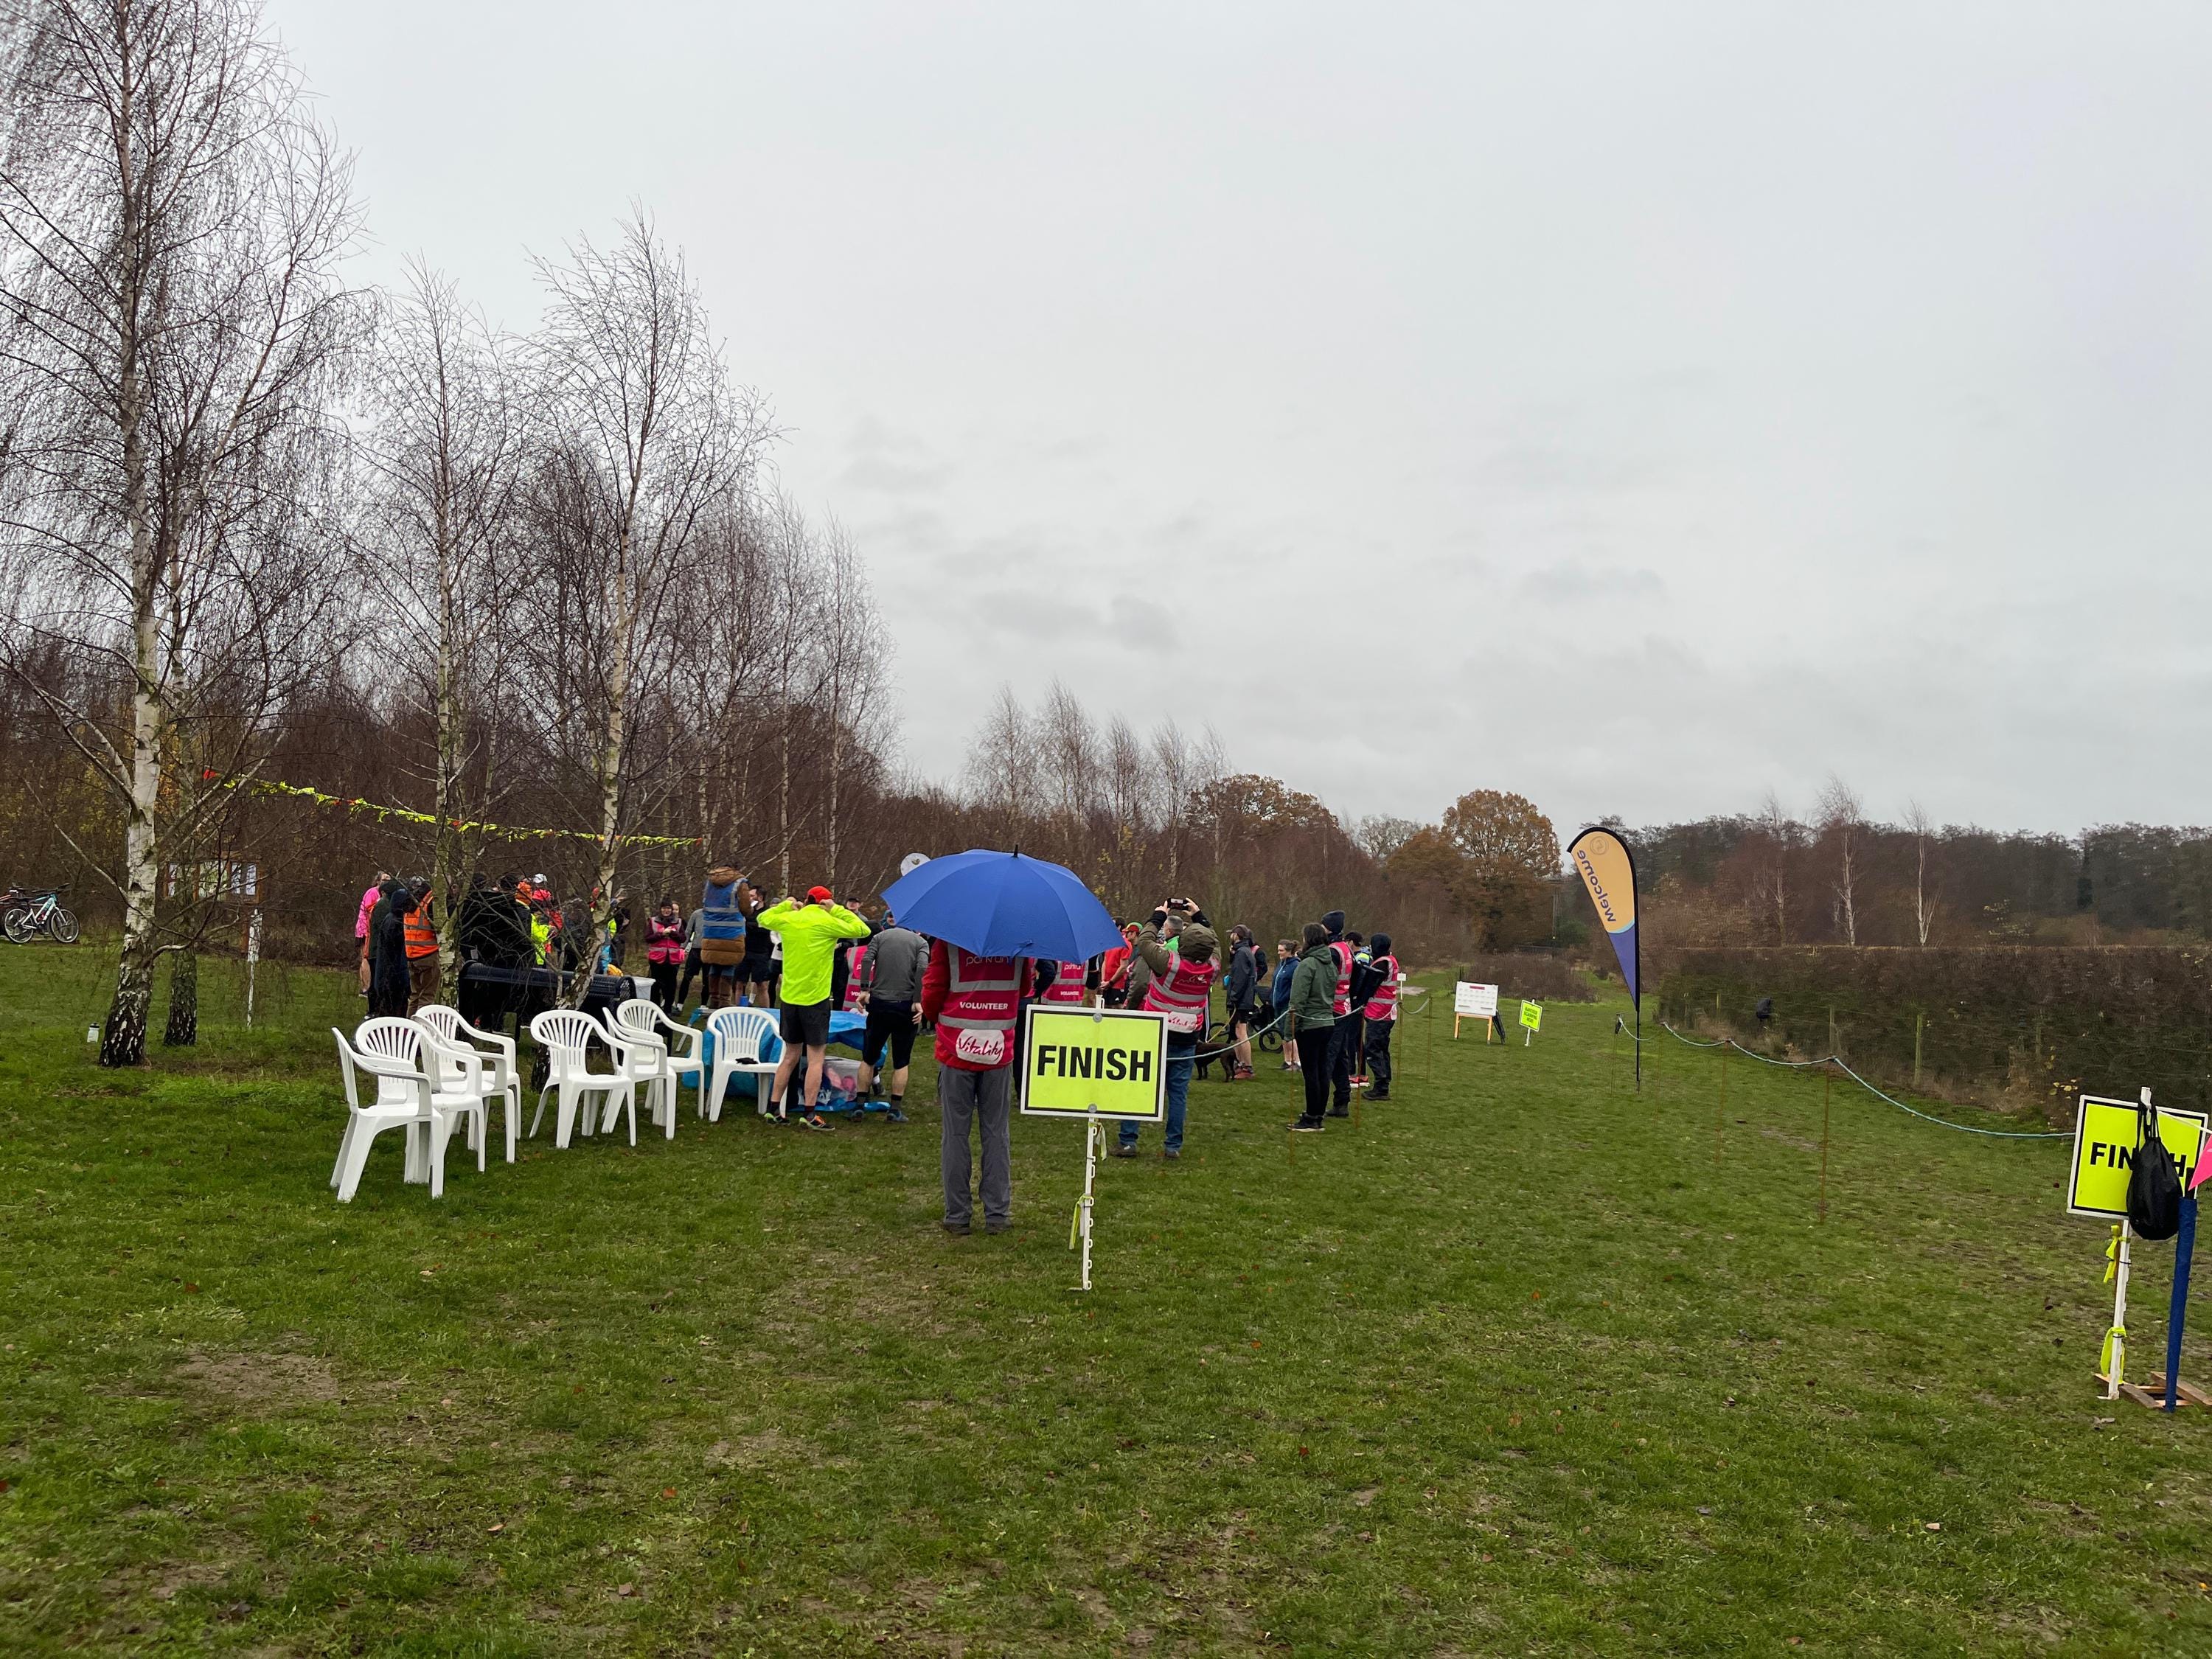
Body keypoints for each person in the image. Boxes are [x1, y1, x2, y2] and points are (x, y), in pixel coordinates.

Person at [920, 934, 1029, 1234]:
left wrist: (936, 1018)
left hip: (955, 1049)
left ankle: (957, 1215)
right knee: (997, 1133)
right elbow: (1025, 988)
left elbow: (932, 991)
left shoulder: (948, 942)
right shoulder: (1018, 943)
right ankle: (998, 1214)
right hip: (998, 1050)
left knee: (955, 1134)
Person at [758, 885, 871, 1130]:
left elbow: (763, 918)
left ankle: (774, 1108)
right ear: (825, 902)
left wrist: (788, 904)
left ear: (806, 900)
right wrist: (836, 909)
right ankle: (809, 1114)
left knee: (789, 1056)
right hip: (815, 999)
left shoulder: (790, 919)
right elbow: (862, 929)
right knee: (816, 1058)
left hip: (789, 997)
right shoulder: (827, 921)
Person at [1114, 899, 1217, 1161]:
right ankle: (1173, 1146)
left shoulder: (1169, 963)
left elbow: (1146, 941)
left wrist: (1158, 914)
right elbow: (1214, 942)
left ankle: (1128, 1142)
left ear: (1182, 944)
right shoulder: (1212, 967)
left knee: (1139, 1087)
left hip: (1154, 1034)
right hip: (1186, 1038)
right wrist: (1198, 914)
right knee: (1178, 1093)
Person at [857, 914, 927, 1118]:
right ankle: (895, 1109)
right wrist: (917, 999)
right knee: (902, 1060)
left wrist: (864, 989)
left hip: (879, 1002)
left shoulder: (880, 937)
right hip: (905, 1005)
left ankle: (860, 1104)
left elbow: (867, 958)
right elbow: (922, 967)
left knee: (868, 1057)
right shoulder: (920, 942)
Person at [1286, 922, 1339, 1131]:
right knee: (1322, 1070)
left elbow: (1297, 1001)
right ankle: (1317, 1114)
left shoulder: (1307, 965)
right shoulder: (1330, 965)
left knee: (1312, 1073)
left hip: (1310, 1024)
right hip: (1327, 1023)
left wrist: (1290, 1027)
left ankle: (1312, 1118)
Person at [1321, 908, 1357, 1116]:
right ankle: (1342, 1100)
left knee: (1328, 1058)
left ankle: (1317, 1106)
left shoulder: (1333, 951)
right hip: (1344, 1008)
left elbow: (1327, 980)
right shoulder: (1345, 948)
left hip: (1333, 1009)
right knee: (1341, 1058)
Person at [697, 866, 748, 1007]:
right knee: (728, 965)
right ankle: (725, 1001)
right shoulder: (740, 883)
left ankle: (714, 999)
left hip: (711, 931)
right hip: (732, 932)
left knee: (715, 965)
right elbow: (745, 908)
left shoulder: (709, 883)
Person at [1359, 931, 1401, 1101]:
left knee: (1373, 1048)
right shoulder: (1391, 961)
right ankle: (1384, 1083)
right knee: (1382, 1049)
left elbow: (1370, 985)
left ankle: (1381, 1086)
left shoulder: (1381, 964)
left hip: (1379, 1013)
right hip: (1387, 1012)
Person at [367, 882, 414, 1018]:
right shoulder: (396, 924)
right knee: (393, 1011)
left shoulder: (391, 919)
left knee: (389, 1009)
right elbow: (398, 955)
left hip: (387, 977)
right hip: (392, 979)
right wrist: (405, 982)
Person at [1222, 924, 1259, 1081]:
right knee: (1237, 1032)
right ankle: (1241, 1064)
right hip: (1243, 998)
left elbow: (1240, 978)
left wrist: (1234, 998)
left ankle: (1247, 1067)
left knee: (1241, 1032)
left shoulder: (1242, 953)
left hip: (1241, 1000)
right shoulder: (1242, 952)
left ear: (1237, 936)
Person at [403, 877, 440, 1012]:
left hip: (411, 955)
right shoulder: (429, 903)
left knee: (414, 996)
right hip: (428, 954)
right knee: (426, 997)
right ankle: (421, 1030)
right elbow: (438, 929)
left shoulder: (408, 902)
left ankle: (410, 1029)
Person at [646, 899, 687, 1012]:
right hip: (657, 958)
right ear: (660, 909)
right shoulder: (653, 921)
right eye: (664, 908)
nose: (666, 910)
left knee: (671, 986)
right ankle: (655, 1010)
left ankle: (668, 1010)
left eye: (668, 908)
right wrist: (661, 934)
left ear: (672, 910)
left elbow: (683, 938)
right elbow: (648, 938)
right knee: (656, 985)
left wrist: (672, 933)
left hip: (673, 959)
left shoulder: (679, 922)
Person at [740, 885, 779, 1007]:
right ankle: (738, 1010)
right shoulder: (745, 911)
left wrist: (750, 925)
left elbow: (765, 928)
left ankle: (766, 1012)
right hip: (744, 951)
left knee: (761, 985)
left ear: (760, 898)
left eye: (752, 896)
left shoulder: (767, 913)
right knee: (739, 983)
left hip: (761, 952)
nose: (749, 899)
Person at [355, 869, 390, 996]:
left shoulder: (385, 895)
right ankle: (366, 987)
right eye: (384, 879)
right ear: (378, 881)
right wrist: (366, 931)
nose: (386, 882)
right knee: (366, 958)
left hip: (374, 931)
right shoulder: (372, 893)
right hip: (365, 930)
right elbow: (368, 912)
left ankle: (372, 987)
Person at [1272, 940, 1301, 1071]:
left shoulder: (1295, 966)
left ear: (1289, 951)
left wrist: (1287, 1000)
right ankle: (1287, 1060)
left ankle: (1297, 1061)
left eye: (1281, 950)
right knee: (1283, 1033)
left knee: (1289, 1034)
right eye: (1278, 950)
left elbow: (1295, 987)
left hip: (1287, 1005)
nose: (1279, 953)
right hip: (1277, 1004)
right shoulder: (1281, 965)